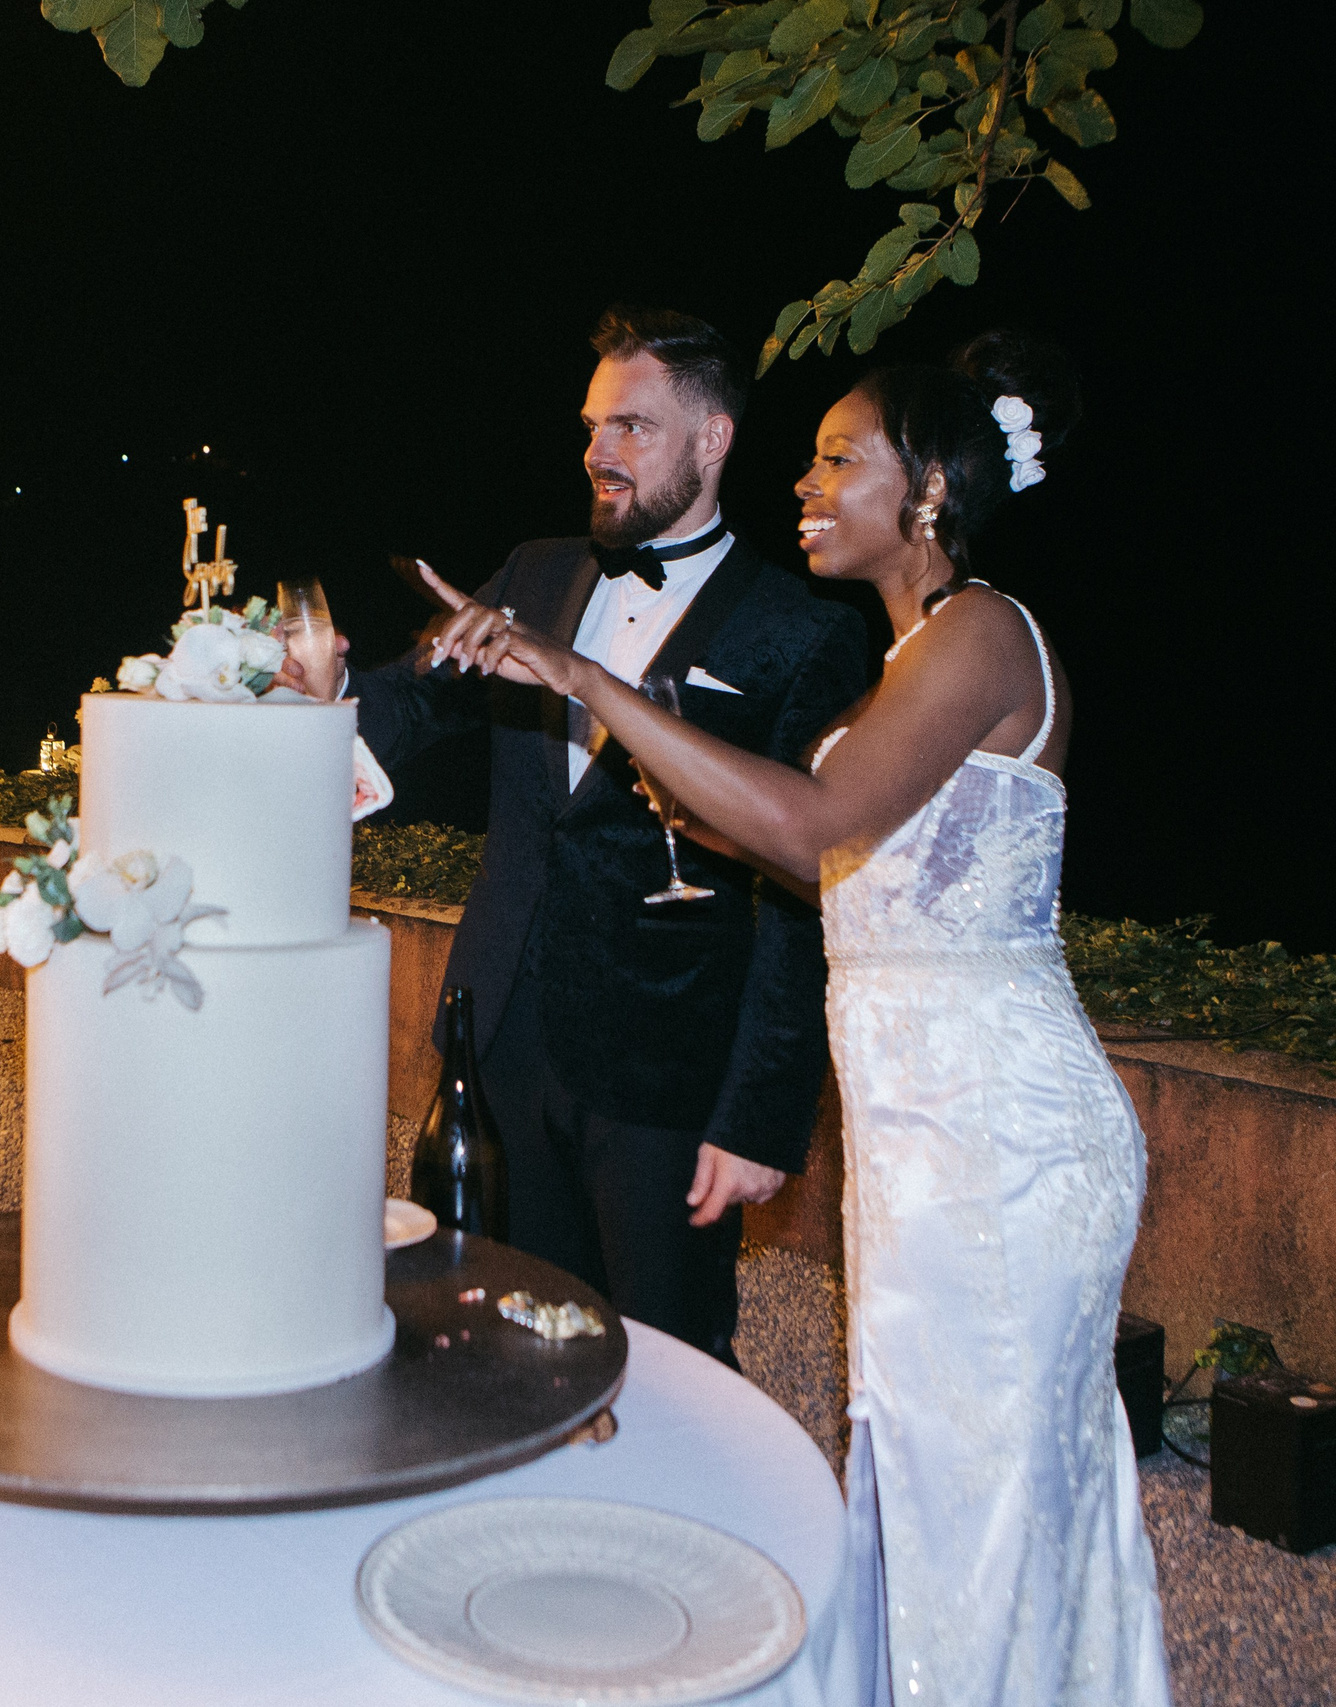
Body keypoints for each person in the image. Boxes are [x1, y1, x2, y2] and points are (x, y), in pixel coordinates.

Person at [451, 332, 1168, 1703]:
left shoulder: (983, 630)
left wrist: (589, 683)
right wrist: (682, 798)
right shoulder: (909, 656)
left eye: (844, 457)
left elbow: (823, 817)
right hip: (916, 1133)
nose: (808, 479)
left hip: (1000, 1134)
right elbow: (817, 867)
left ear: (935, 488)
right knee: (920, 1458)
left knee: (989, 1480)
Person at [293, 307, 866, 1364]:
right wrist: (314, 692)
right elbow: (412, 708)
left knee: (671, 1359)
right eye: (593, 426)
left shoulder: (804, 631)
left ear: (713, 440)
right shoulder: (534, 573)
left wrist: (760, 1115)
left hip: (667, 1072)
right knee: (502, 1334)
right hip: (502, 1031)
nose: (600, 452)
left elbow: (804, 892)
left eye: (633, 428)